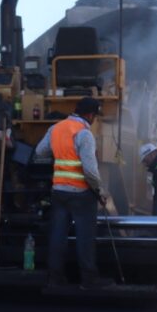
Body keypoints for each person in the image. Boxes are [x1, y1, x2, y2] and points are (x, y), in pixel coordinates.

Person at [35, 97, 112, 289]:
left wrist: (60, 152)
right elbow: (90, 171)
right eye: (94, 116)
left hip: (59, 192)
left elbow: (40, 152)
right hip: (81, 194)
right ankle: (88, 280)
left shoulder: (56, 128)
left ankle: (55, 278)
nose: (94, 120)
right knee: (85, 238)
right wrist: (100, 191)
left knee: (58, 236)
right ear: (90, 114)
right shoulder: (84, 134)